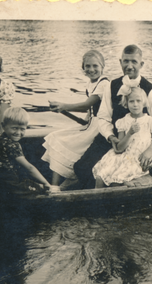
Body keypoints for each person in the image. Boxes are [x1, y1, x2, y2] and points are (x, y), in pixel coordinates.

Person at [73, 44, 152, 189]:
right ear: (120, 62)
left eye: (134, 62)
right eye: (126, 61)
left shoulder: (150, 90)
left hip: (139, 144)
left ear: (141, 64)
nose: (129, 66)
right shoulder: (112, 85)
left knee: (120, 179)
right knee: (82, 168)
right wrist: (110, 137)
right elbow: (104, 118)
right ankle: (89, 198)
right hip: (114, 139)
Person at [41, 50, 110, 188]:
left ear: (103, 66)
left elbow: (87, 105)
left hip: (99, 128)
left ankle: (59, 188)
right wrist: (84, 121)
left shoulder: (104, 83)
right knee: (56, 138)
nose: (91, 69)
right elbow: (89, 111)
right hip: (90, 125)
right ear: (83, 68)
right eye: (87, 66)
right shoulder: (91, 83)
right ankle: (54, 186)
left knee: (63, 144)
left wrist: (63, 106)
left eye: (95, 66)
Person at [92, 87, 152, 188]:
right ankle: (96, 199)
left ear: (144, 102)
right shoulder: (123, 122)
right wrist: (130, 133)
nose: (135, 104)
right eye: (131, 101)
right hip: (122, 155)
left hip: (138, 158)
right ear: (126, 103)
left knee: (119, 179)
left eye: (138, 101)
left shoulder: (150, 121)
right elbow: (120, 148)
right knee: (101, 175)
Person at [0, 107, 53, 200]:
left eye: (22, 129)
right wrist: (46, 183)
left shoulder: (1, 138)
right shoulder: (13, 145)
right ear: (3, 126)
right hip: (7, 184)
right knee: (41, 188)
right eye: (14, 128)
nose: (18, 132)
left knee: (26, 179)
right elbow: (29, 168)